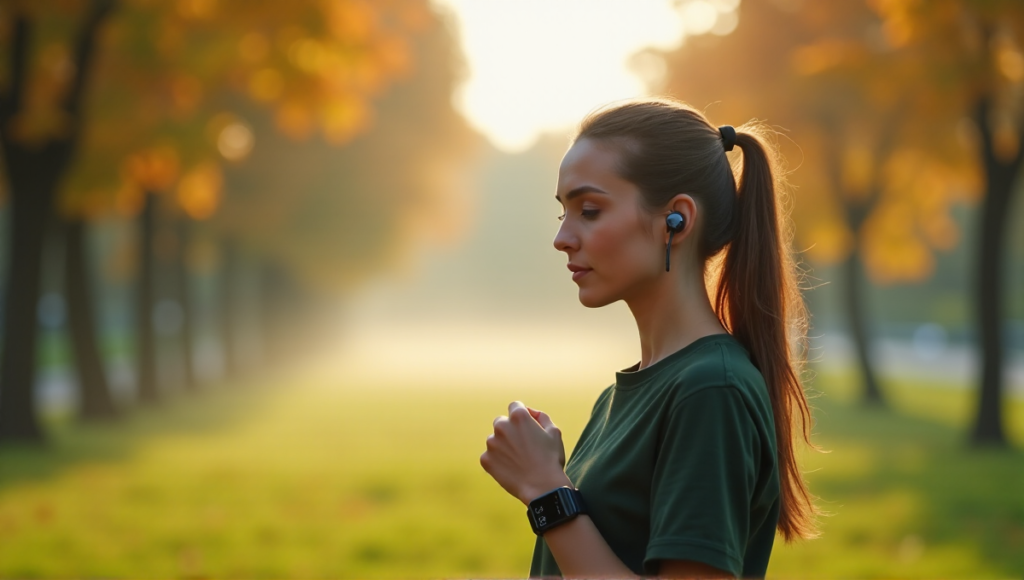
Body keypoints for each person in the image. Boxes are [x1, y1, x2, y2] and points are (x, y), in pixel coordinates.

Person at [479, 97, 819, 579]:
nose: (562, 238)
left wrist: (546, 490)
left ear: (675, 219)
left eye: (590, 210)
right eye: (564, 213)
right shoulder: (620, 397)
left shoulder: (710, 391)